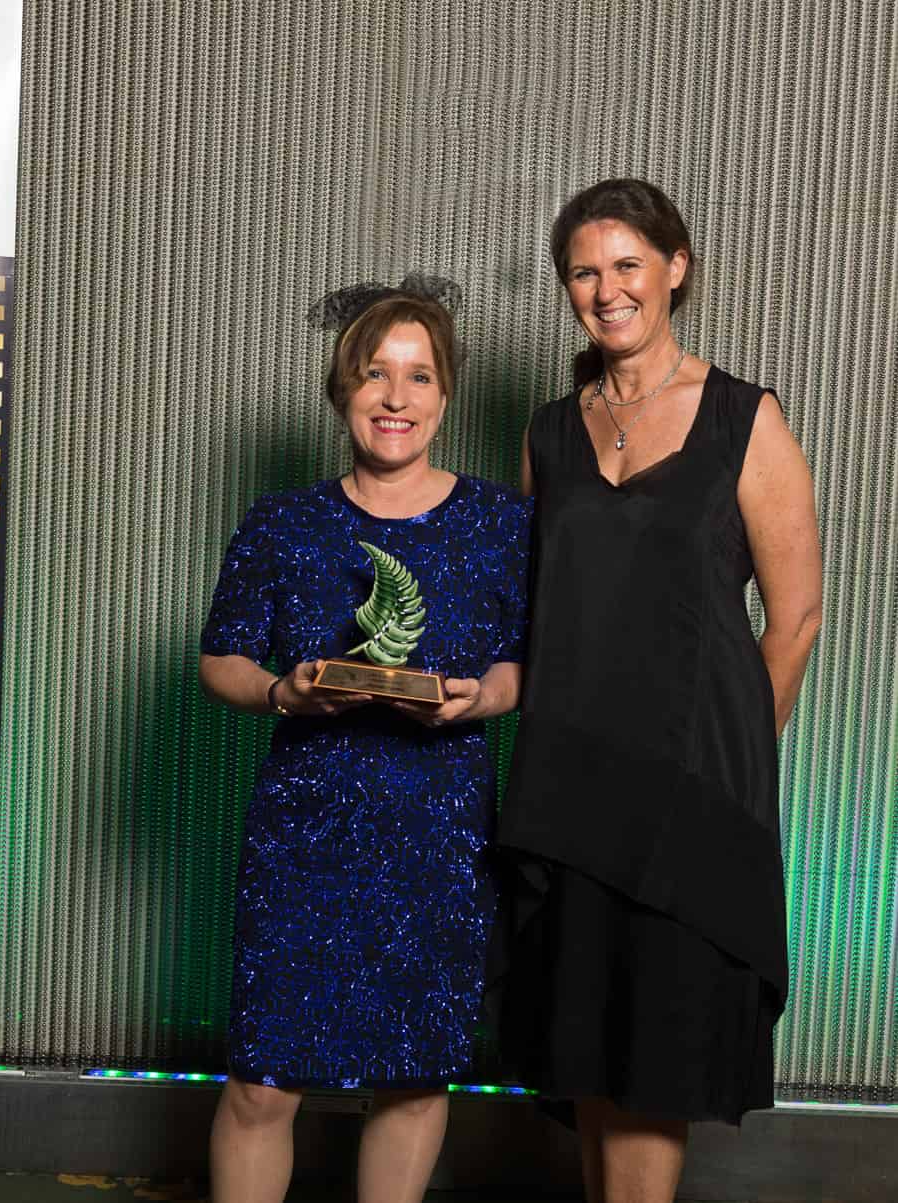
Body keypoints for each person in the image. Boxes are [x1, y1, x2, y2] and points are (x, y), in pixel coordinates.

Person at [494, 178, 822, 1203]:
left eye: (628, 264)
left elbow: (796, 618)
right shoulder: (549, 434)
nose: (608, 290)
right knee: (590, 1061)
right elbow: (540, 611)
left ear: (677, 268)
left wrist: (725, 768)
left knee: (652, 1069)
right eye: (583, 272)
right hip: (570, 789)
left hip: (688, 800)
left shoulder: (743, 418)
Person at [199, 277, 531, 1203]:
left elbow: (523, 664)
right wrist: (282, 691)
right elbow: (220, 659)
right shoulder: (281, 522)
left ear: (446, 394)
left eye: (419, 376)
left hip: (439, 835)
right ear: (342, 388)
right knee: (263, 1080)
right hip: (304, 831)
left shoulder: (504, 524)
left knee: (414, 1076)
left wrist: (480, 699)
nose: (396, 397)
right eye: (376, 374)